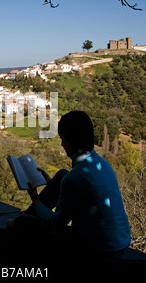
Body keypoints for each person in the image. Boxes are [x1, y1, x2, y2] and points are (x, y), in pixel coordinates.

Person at [7, 110, 131, 264]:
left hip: (99, 250)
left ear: (71, 140)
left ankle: (23, 217)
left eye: (63, 138)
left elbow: (57, 223)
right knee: (62, 175)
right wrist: (52, 184)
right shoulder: (103, 164)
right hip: (120, 242)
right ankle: (31, 212)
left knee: (24, 222)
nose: (61, 143)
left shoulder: (75, 178)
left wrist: (36, 200)